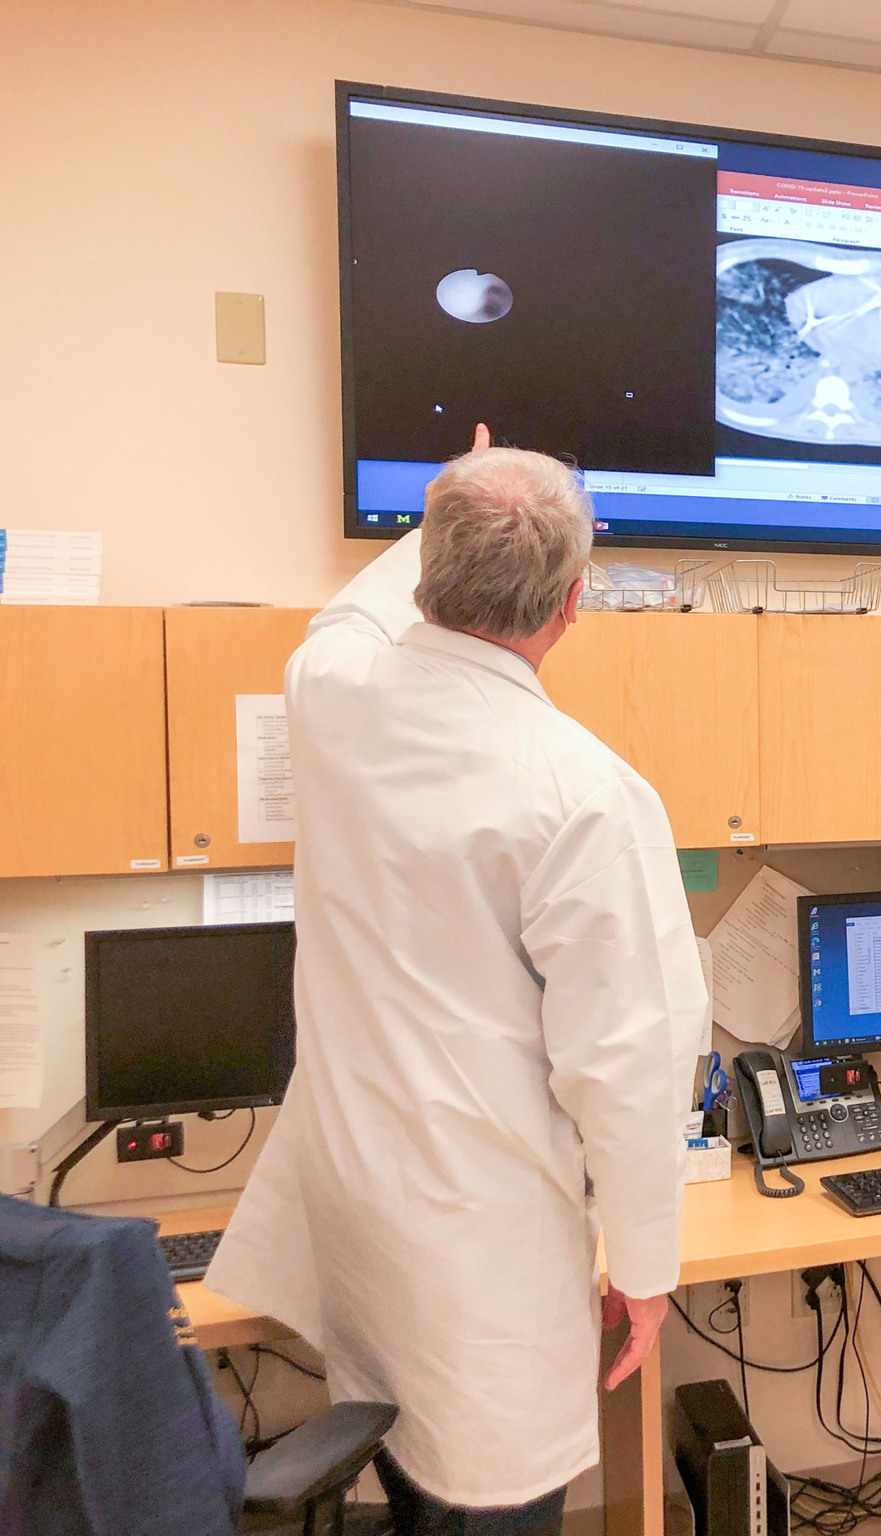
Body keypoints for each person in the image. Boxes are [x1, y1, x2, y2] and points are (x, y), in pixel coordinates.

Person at [208, 427, 709, 1535]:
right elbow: (627, 1057)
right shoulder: (583, 789)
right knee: (488, 1502)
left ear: (425, 570)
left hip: (354, 1204)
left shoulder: (330, 691)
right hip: (478, 1241)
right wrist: (645, 1263)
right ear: (573, 604)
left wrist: (450, 493)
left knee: (400, 1465)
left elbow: (348, 616)